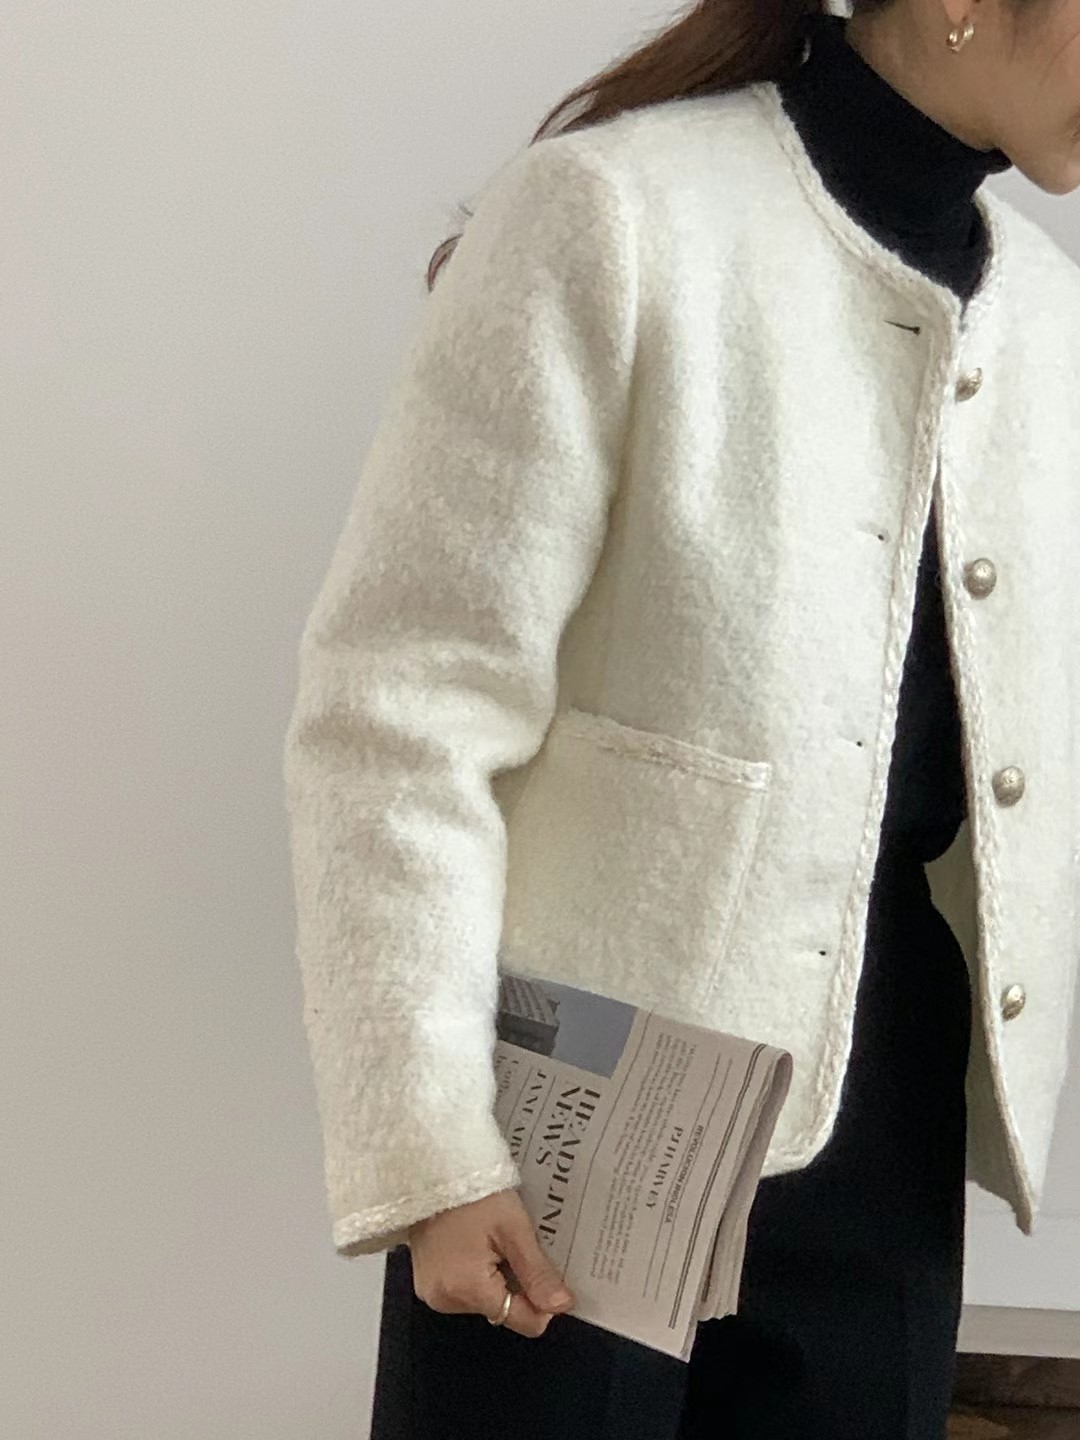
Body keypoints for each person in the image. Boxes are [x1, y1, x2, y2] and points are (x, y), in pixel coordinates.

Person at [281, 1, 1080, 1435]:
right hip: (573, 1130)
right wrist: (430, 1146)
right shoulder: (613, 213)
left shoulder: (1050, 313)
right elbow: (402, 712)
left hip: (888, 1116)